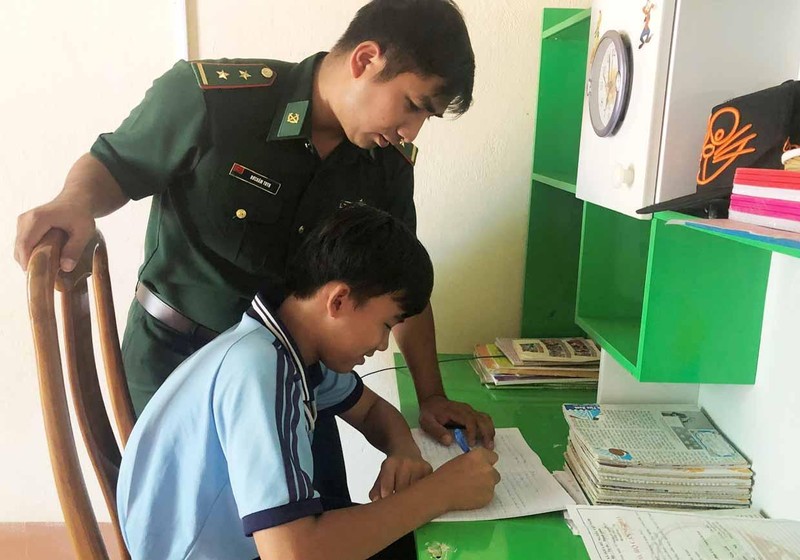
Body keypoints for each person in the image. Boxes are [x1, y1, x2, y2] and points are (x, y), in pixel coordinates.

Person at [14, 0, 494, 507]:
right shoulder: (216, 101)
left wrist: (431, 395)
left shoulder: (387, 164)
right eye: (413, 105)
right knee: (212, 525)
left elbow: (396, 284)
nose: (411, 131)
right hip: (175, 368)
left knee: (331, 513)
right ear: (366, 59)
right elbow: (115, 166)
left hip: (295, 379)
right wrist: (73, 202)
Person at [117, 205, 500, 560]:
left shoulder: (288, 348)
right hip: (214, 552)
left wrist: (404, 451)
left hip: (238, 541)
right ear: (339, 301)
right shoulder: (262, 371)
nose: (383, 344)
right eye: (386, 324)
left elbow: (371, 410)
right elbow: (291, 553)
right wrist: (441, 492)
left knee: (417, 538)